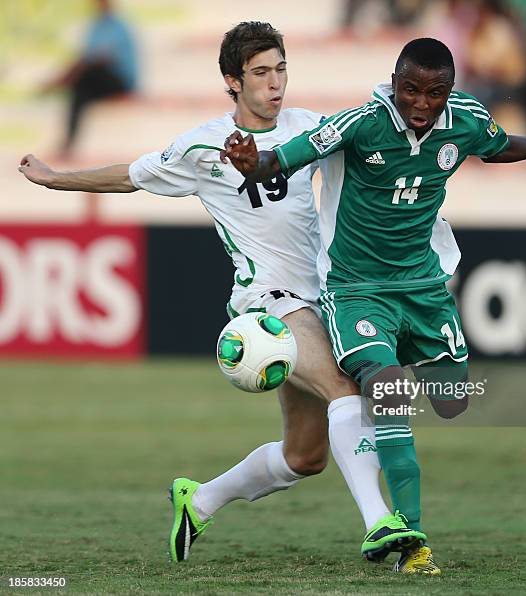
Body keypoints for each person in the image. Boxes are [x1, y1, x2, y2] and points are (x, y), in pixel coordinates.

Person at [18, 22, 427, 573]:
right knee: (345, 389)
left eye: (281, 69)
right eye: (261, 73)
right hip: (268, 301)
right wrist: (54, 178)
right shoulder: (201, 146)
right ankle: (382, 526)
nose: (275, 83)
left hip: (327, 297)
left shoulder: (310, 127)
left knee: (305, 458)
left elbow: (376, 144)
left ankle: (200, 499)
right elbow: (129, 176)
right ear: (233, 81)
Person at [222, 37, 526, 574]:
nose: (421, 104)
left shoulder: (464, 120)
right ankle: (410, 537)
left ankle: (391, 399)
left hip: (423, 288)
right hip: (356, 289)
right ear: (394, 83)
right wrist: (253, 163)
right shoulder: (363, 123)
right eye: (410, 91)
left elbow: (499, 145)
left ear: (450, 91)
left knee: (451, 400)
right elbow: (289, 155)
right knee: (389, 387)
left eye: (434, 93)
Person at [41, 0, 138, 155]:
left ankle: (60, 84)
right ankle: (68, 142)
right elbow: (86, 57)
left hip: (119, 80)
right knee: (79, 90)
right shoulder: (95, 27)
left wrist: (66, 76)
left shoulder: (118, 27)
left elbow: (101, 58)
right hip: (97, 78)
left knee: (85, 74)